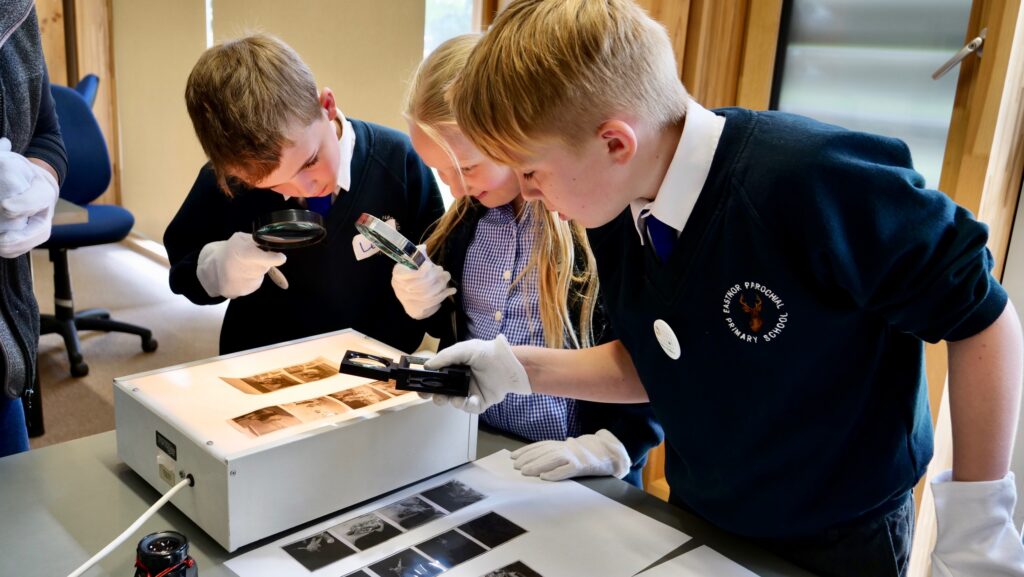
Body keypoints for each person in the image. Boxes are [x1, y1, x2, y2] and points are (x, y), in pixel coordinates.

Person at [424, 1, 1024, 576]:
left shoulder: (809, 179)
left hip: (841, 534)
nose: (527, 194)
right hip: (705, 509)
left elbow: (981, 316)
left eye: (531, 171)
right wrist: (519, 367)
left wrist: (977, 524)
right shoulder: (613, 206)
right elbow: (657, 359)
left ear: (614, 143)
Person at [392, 34, 662, 487]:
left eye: (467, 168)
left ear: (510, 136)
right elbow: (460, 328)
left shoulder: (595, 213)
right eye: (440, 172)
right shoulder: (466, 223)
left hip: (581, 462)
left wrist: (617, 445)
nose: (454, 189)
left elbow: (653, 353)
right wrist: (423, 301)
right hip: (481, 447)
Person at [164, 34, 443, 355]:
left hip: (374, 368)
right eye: (275, 185)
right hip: (263, 363)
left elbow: (442, 261)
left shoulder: (397, 161)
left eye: (310, 161)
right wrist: (216, 268)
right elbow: (183, 268)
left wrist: (428, 291)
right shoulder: (230, 181)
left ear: (326, 106)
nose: (307, 189)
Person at [0, 1, 67, 457]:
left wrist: (41, 175)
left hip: (4, 352)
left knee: (19, 518)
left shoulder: (17, 11)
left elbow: (47, 131)